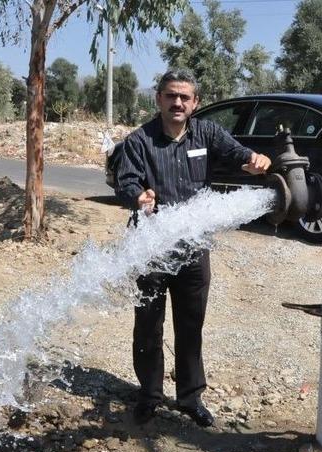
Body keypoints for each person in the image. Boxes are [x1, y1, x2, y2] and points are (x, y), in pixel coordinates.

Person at [115, 69, 272, 427]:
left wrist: (255, 160)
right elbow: (125, 181)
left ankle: (190, 397)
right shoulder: (139, 141)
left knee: (191, 324)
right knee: (148, 326)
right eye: (171, 95)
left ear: (195, 102)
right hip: (152, 248)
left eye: (185, 97)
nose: (177, 103)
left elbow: (239, 155)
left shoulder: (206, 133)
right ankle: (150, 395)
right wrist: (139, 195)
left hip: (194, 249)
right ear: (158, 99)